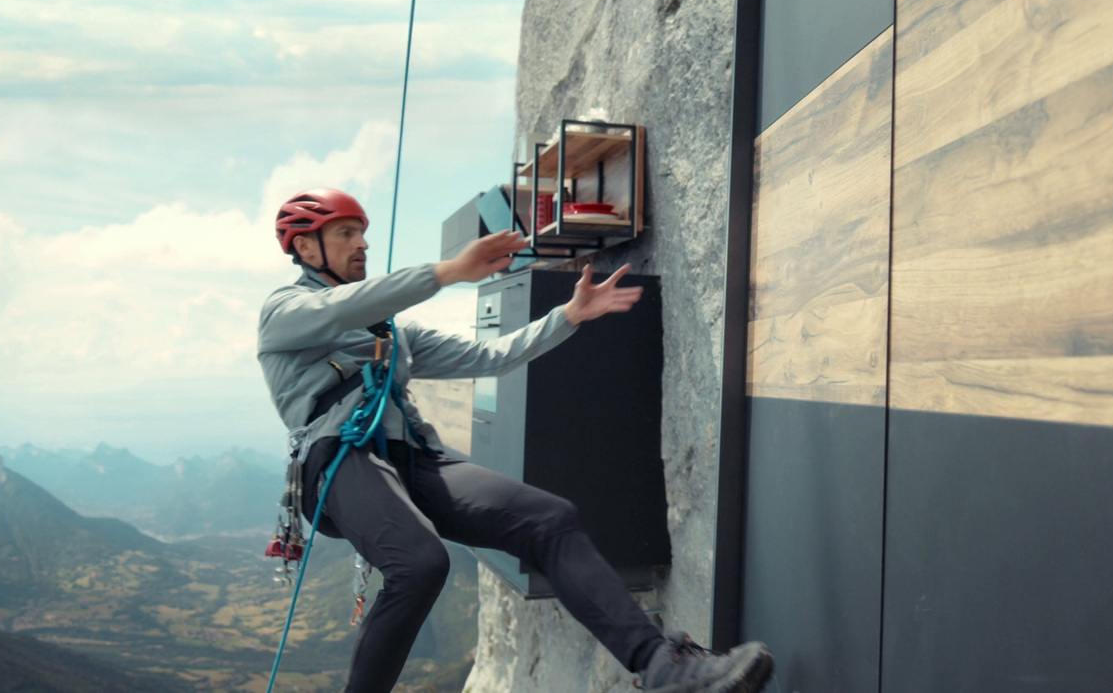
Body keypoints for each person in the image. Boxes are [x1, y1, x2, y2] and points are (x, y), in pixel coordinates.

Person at [257, 187, 773, 693]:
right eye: (347, 233)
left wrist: (567, 317)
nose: (362, 244)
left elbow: (490, 357)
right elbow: (335, 310)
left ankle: (661, 666)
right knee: (420, 563)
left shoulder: (394, 333)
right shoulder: (284, 312)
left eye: (362, 233)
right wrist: (447, 273)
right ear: (306, 247)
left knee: (548, 519)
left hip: (411, 459)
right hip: (341, 462)